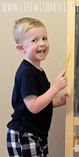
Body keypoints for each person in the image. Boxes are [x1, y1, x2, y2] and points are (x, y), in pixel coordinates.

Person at [6, 17, 68, 157]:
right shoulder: (27, 73)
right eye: (35, 40)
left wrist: (59, 101)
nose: (42, 43)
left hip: (36, 133)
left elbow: (41, 101)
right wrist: (56, 87)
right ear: (21, 48)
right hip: (24, 134)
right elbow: (33, 106)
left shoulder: (37, 71)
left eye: (44, 38)